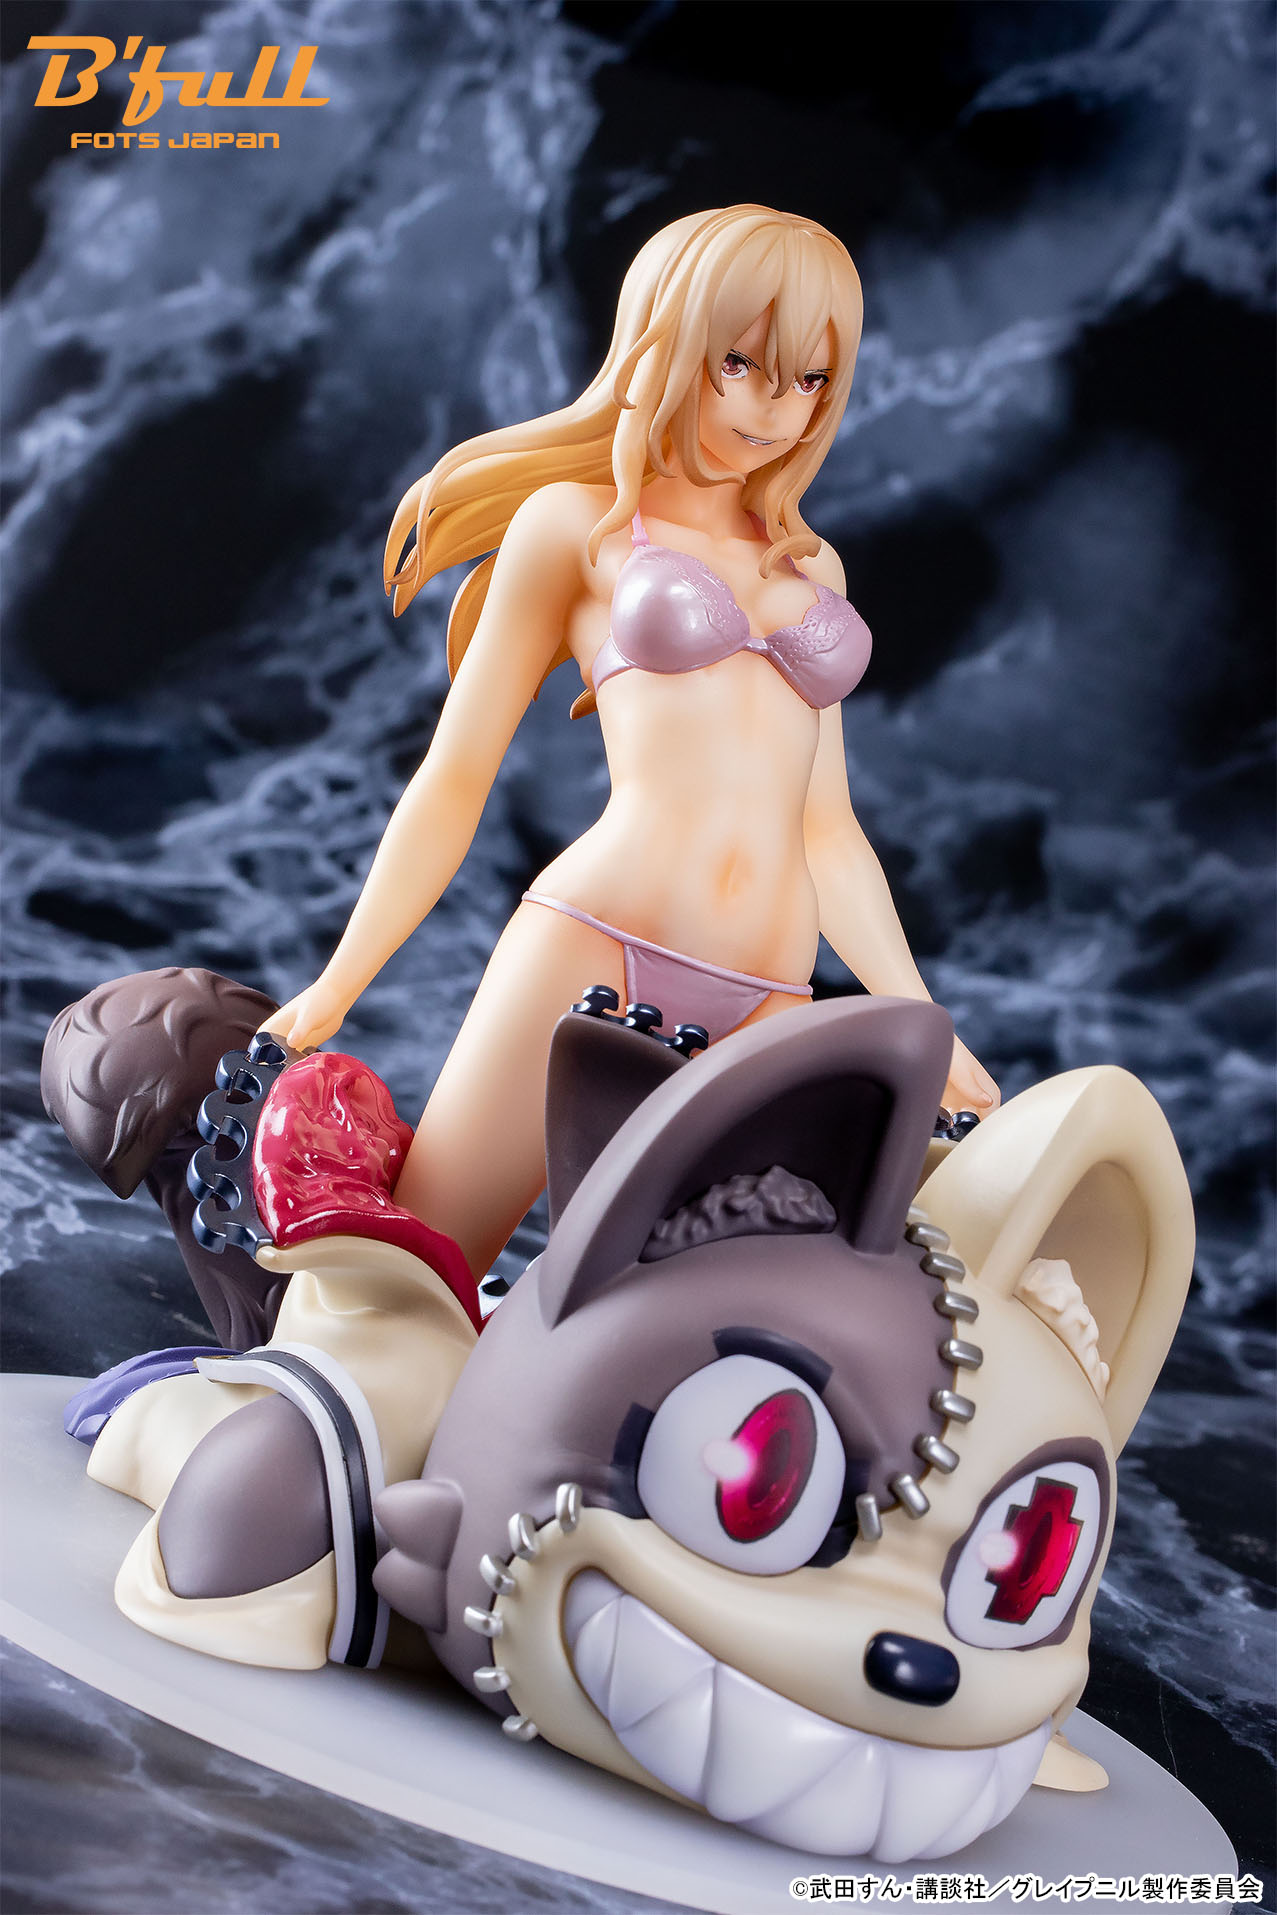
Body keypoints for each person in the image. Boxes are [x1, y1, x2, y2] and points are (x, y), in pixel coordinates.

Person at [269, 204, 999, 1282]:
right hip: (595, 942)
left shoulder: (811, 567)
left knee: (698, 1306)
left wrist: (925, 1020)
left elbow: (827, 829)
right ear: (663, 341)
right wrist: (339, 982)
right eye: (739, 363)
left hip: (770, 991)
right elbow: (455, 774)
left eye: (807, 379)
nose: (771, 407)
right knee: (419, 1271)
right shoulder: (574, 526)